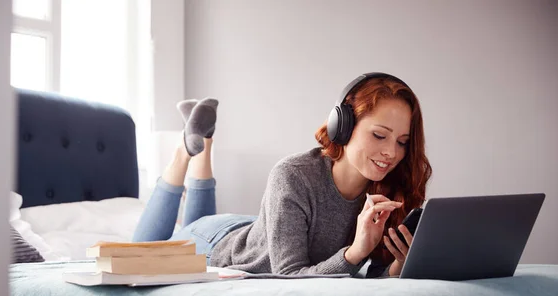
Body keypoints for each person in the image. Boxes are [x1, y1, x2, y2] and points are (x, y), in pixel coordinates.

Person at [133, 72, 432, 277]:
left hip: (258, 230)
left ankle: (204, 137)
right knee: (138, 253)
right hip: (216, 246)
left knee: (193, 221)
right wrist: (354, 253)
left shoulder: (390, 189)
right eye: (379, 135)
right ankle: (186, 151)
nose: (391, 153)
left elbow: (365, 280)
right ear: (343, 125)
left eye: (402, 142)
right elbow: (289, 277)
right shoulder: (293, 176)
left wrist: (397, 268)